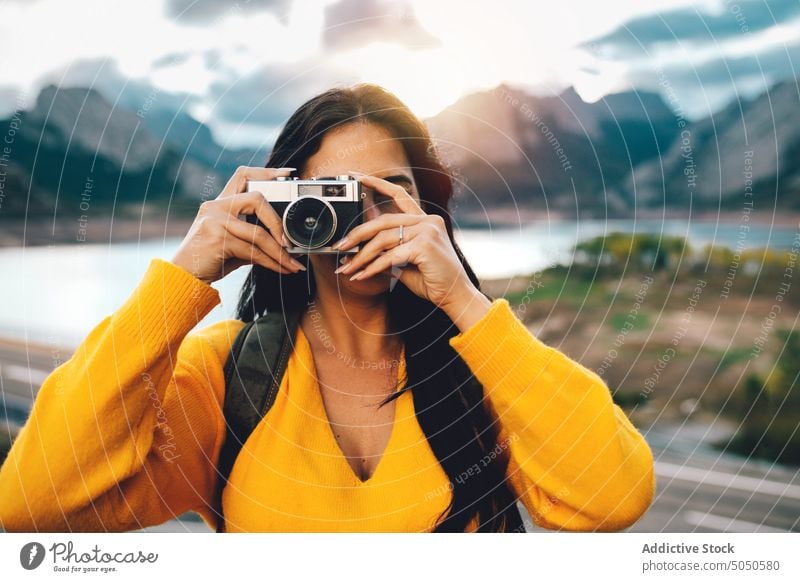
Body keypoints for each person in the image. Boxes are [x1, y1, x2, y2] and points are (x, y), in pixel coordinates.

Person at [0, 84, 655, 533]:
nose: (361, 218)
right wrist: (179, 281)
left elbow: (613, 495)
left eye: (389, 192)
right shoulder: (227, 378)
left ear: (426, 209)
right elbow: (29, 501)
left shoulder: (489, 372)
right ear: (288, 208)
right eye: (331, 196)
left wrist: (466, 303)